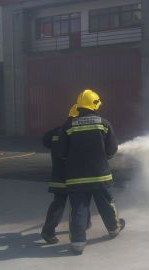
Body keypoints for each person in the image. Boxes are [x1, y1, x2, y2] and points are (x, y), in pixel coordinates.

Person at [57, 89, 125, 255]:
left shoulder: (68, 126)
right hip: (101, 175)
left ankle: (78, 243)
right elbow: (112, 150)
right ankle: (114, 229)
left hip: (76, 178)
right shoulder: (103, 123)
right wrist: (104, 156)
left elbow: (61, 152)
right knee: (107, 204)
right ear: (94, 104)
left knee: (79, 209)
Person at [41, 104, 91, 244]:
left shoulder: (56, 131)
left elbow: (45, 140)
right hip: (76, 176)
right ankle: (85, 224)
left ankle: (48, 231)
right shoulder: (78, 132)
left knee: (58, 203)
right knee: (81, 202)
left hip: (58, 176)